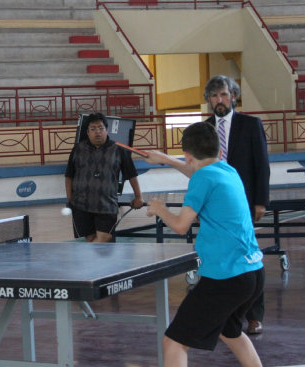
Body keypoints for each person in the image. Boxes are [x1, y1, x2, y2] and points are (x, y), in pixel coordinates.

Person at [144, 122, 264, 367]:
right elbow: (199, 171)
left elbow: (180, 226)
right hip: (253, 273)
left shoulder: (201, 179)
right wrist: (166, 159)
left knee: (174, 341)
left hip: (226, 278)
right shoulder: (228, 170)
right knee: (230, 332)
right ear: (219, 152)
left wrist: (160, 210)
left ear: (187, 155)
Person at [203, 75, 270, 335]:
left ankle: (254, 315)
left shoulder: (251, 124)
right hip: (215, 207)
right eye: (214, 96)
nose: (219, 100)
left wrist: (261, 201)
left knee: (249, 259)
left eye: (223, 94)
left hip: (244, 203)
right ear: (208, 100)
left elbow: (261, 165)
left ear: (233, 96)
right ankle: (227, 315)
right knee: (221, 259)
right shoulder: (205, 129)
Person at [65, 112, 143, 242]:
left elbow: (131, 174)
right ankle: (92, 261)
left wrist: (138, 197)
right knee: (90, 240)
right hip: (81, 205)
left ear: (107, 130)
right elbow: (69, 176)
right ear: (88, 132)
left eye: (101, 128)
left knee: (105, 239)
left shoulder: (118, 149)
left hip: (107, 205)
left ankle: (92, 260)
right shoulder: (78, 149)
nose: (97, 132)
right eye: (93, 129)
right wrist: (70, 200)